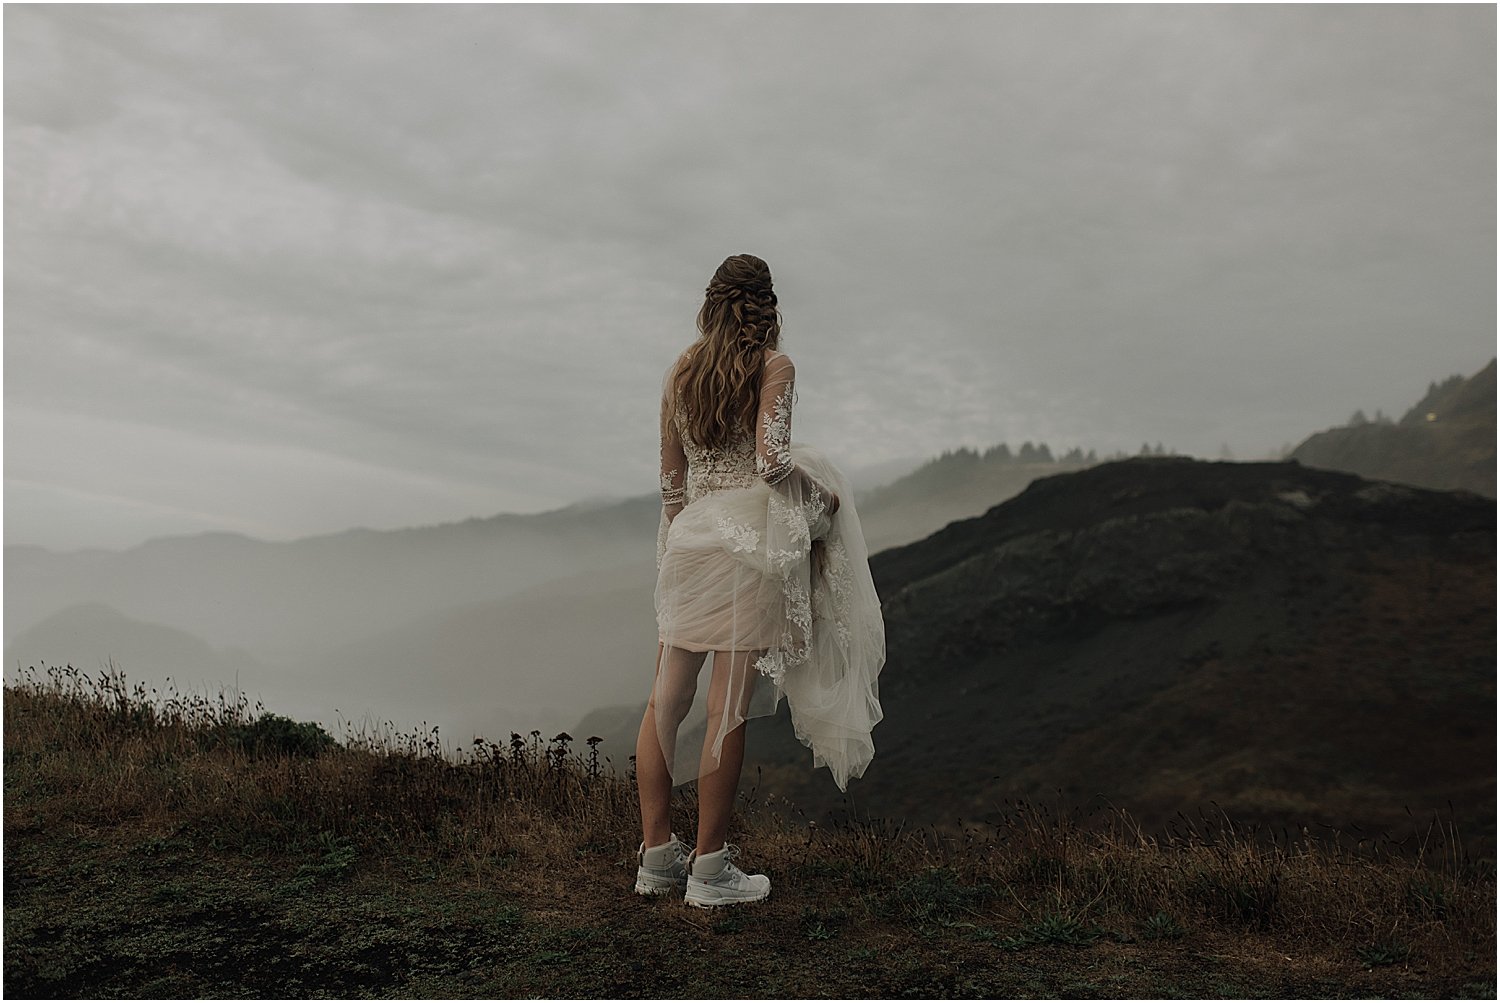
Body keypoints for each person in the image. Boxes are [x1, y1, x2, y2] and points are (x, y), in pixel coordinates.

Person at [633, 253, 886, 908]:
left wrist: (677, 548)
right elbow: (772, 464)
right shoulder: (774, 366)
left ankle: (656, 855)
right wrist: (822, 499)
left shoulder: (678, 373)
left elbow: (670, 485)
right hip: (745, 548)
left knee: (665, 700)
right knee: (727, 707)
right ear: (766, 307)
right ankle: (710, 869)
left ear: (711, 303)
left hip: (688, 545)